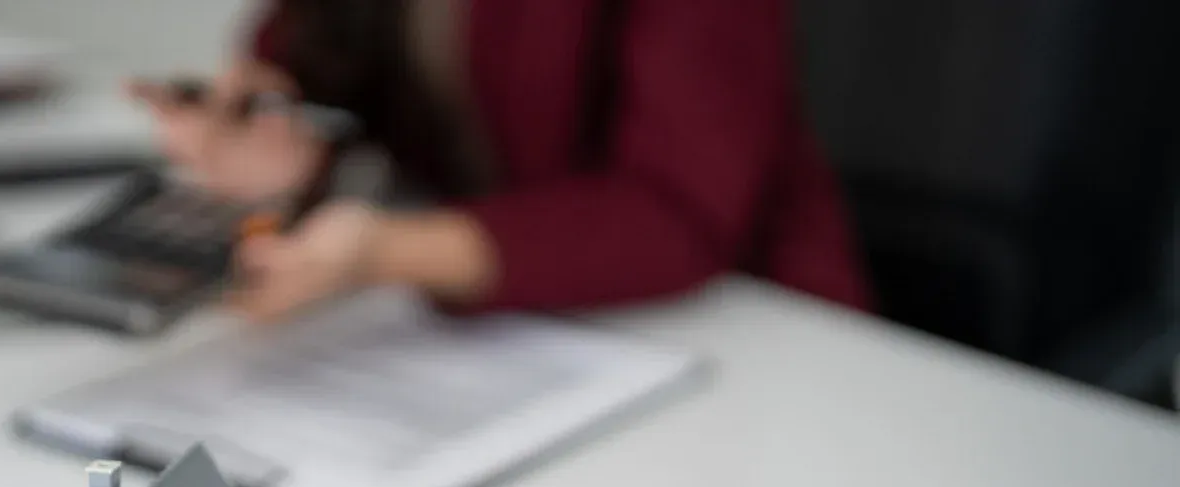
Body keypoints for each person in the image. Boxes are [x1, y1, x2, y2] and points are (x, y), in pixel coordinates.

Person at [129, 0, 871, 323]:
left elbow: (675, 209)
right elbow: (317, 62)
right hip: (525, 329)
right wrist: (278, 132)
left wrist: (386, 250)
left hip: (752, 324)